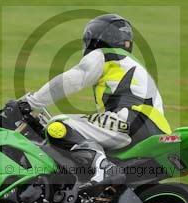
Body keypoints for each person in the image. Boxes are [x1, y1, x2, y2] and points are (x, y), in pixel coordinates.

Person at [19, 14, 171, 189]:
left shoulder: (105, 55)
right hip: (157, 130)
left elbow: (72, 80)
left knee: (58, 125)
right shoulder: (133, 65)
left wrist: (31, 102)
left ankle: (103, 168)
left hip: (130, 121)